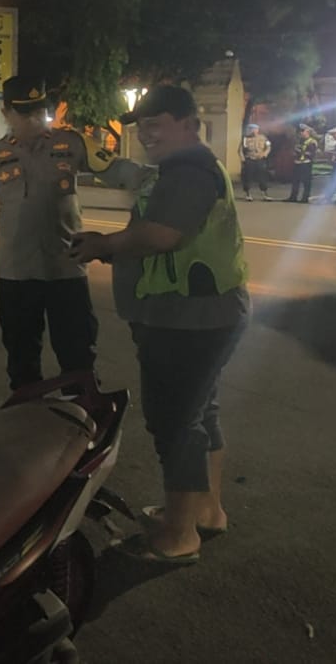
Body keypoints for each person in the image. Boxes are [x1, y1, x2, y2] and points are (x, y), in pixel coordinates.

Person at [71, 85, 249, 565]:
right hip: (197, 314)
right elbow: (139, 192)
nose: (146, 134)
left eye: (156, 124)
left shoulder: (190, 172)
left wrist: (104, 245)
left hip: (189, 319)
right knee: (200, 414)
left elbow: (163, 235)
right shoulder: (179, 168)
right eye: (142, 126)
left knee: (176, 422)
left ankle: (179, 535)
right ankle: (205, 511)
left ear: (189, 123)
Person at [0, 77, 147, 390]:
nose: (34, 119)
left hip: (66, 271)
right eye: (24, 113)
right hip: (17, 275)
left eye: (38, 111)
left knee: (79, 359)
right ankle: (29, 416)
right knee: (22, 363)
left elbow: (117, 169)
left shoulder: (71, 144)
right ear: (6, 113)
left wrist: (159, 178)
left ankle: (82, 414)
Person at [285, 123, 317, 204]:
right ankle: (293, 197)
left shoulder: (312, 142)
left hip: (306, 163)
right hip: (298, 162)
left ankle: (305, 198)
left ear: (308, 132)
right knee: (295, 181)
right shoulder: (300, 140)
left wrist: (300, 152)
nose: (301, 133)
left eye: (303, 131)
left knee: (306, 181)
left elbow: (312, 154)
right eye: (300, 131)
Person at [239, 122, 272, 202]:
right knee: (248, 177)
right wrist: (243, 159)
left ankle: (265, 194)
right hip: (250, 159)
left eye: (255, 129)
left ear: (258, 130)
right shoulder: (245, 139)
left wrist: (264, 154)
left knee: (262, 177)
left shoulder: (263, 137)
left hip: (260, 159)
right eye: (252, 129)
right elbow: (240, 150)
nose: (254, 131)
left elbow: (268, 147)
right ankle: (248, 194)